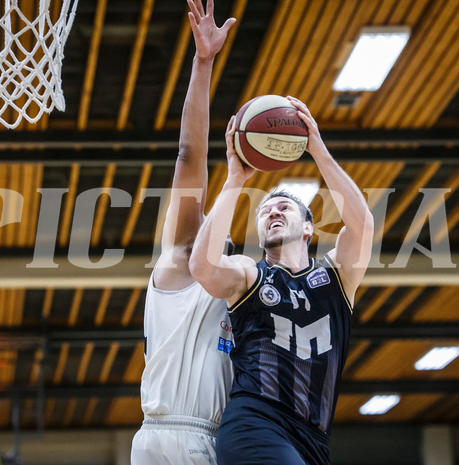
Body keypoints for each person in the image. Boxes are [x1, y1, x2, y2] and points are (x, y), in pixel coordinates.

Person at [189, 96, 374, 465]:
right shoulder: (251, 275)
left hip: (314, 439)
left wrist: (317, 148)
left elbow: (363, 224)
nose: (272, 210)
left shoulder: (336, 277)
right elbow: (203, 267)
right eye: (264, 211)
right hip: (256, 422)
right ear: (259, 236)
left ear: (308, 228)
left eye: (284, 207)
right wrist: (235, 179)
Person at [130, 1, 236, 464]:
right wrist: (203, 63)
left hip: (210, 439)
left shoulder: (238, 295)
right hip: (173, 435)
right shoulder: (177, 264)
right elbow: (189, 157)